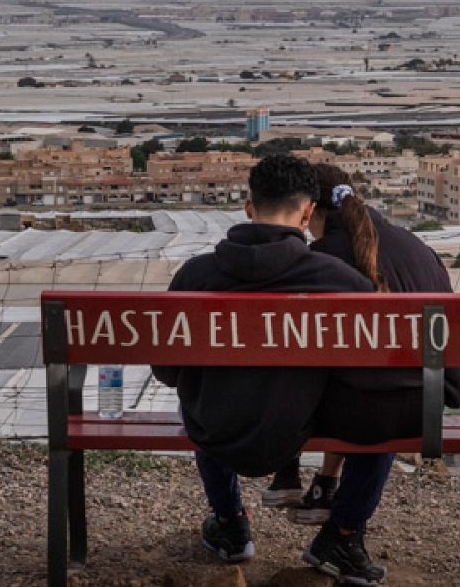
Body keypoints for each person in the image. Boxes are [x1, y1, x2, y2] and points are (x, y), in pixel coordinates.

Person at [149, 154, 384, 575]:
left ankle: (230, 525)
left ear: (249, 207)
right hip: (298, 430)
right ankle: (342, 537)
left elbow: (167, 373)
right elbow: (361, 376)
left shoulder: (194, 276)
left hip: (214, 429)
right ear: (308, 211)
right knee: (374, 412)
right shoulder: (342, 282)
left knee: (203, 395)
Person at [262, 163, 460, 584]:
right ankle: (342, 530)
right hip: (424, 407)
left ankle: (277, 492)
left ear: (310, 210)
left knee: (342, 388)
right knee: (382, 393)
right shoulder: (416, 246)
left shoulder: (315, 262)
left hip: (366, 413)